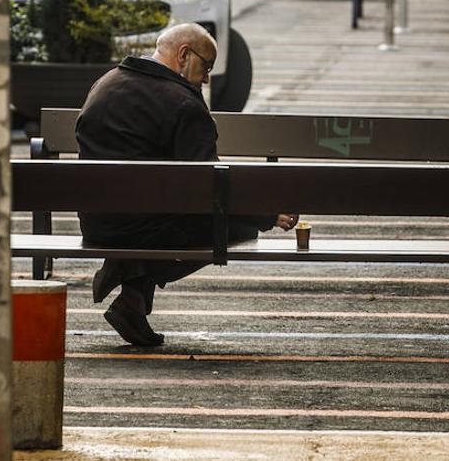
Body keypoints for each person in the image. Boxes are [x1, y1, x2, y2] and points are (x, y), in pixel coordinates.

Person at [76, 23, 298, 346]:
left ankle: (131, 293)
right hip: (144, 230)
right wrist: (265, 215)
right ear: (183, 55)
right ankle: (130, 285)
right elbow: (210, 186)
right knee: (233, 229)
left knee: (159, 210)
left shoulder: (104, 85)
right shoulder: (184, 105)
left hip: (98, 225)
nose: (207, 78)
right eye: (206, 66)